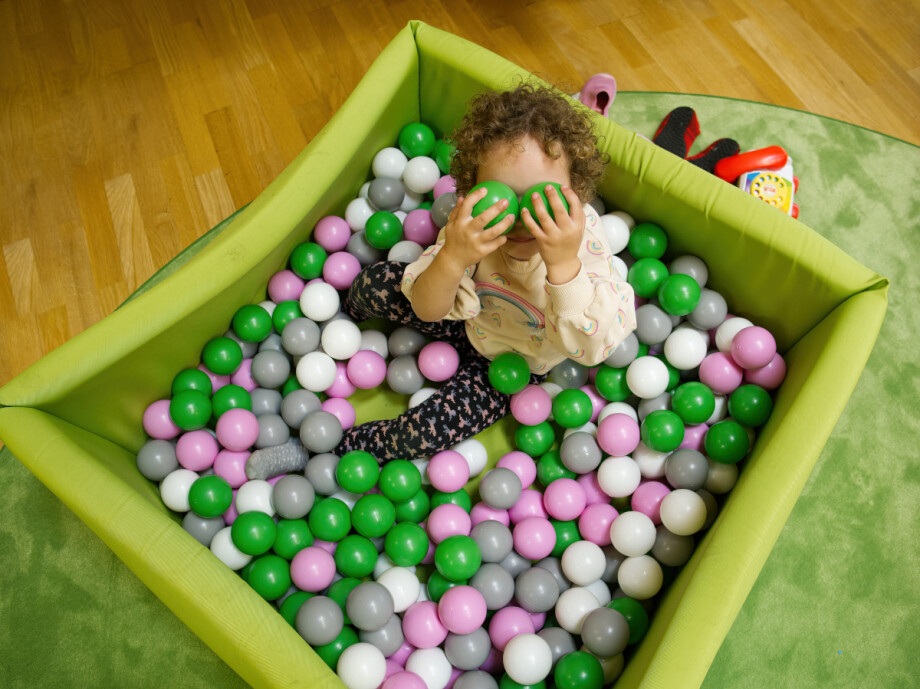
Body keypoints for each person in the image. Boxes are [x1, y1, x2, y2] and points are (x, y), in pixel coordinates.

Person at [335, 82, 637, 462]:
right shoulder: (473, 228)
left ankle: (339, 449)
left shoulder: (585, 247)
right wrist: (453, 258)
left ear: (577, 192)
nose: (524, 218)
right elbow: (428, 308)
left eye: (544, 199)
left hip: (513, 363)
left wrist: (563, 265)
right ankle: (345, 314)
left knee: (423, 434)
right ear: (470, 190)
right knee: (373, 282)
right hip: (462, 316)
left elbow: (588, 349)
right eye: (501, 195)